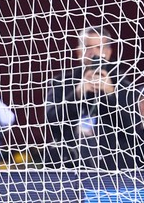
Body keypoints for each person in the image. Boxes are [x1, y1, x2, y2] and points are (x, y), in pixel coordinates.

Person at [44, 25, 117, 167]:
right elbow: (51, 120)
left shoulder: (121, 80)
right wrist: (77, 94)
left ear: (108, 52)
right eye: (89, 47)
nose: (94, 53)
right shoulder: (61, 82)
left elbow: (133, 125)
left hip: (111, 168)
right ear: (79, 52)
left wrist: (111, 94)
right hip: (67, 164)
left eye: (99, 48)